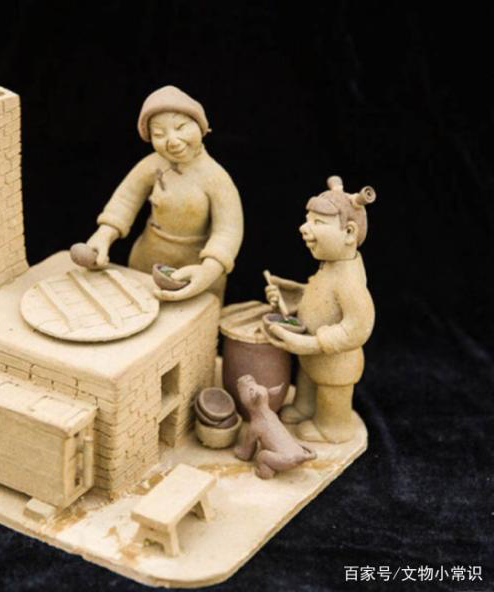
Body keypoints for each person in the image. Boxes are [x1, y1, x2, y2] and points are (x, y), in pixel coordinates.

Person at [86, 85, 243, 302]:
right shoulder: (152, 165)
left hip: (195, 269)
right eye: (159, 134)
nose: (173, 141)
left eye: (181, 127)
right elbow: (125, 199)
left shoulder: (216, 178)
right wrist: (105, 233)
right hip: (146, 260)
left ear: (200, 126)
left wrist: (210, 269)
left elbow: (228, 231)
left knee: (191, 316)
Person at [265, 176, 376, 443]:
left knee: (331, 390)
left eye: (318, 223)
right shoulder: (330, 267)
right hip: (313, 358)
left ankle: (332, 427)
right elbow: (318, 296)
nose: (303, 228)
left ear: (349, 233)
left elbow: (359, 326)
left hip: (335, 362)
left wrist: (313, 343)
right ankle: (306, 407)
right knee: (309, 379)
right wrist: (287, 297)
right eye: (308, 220)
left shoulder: (349, 281)